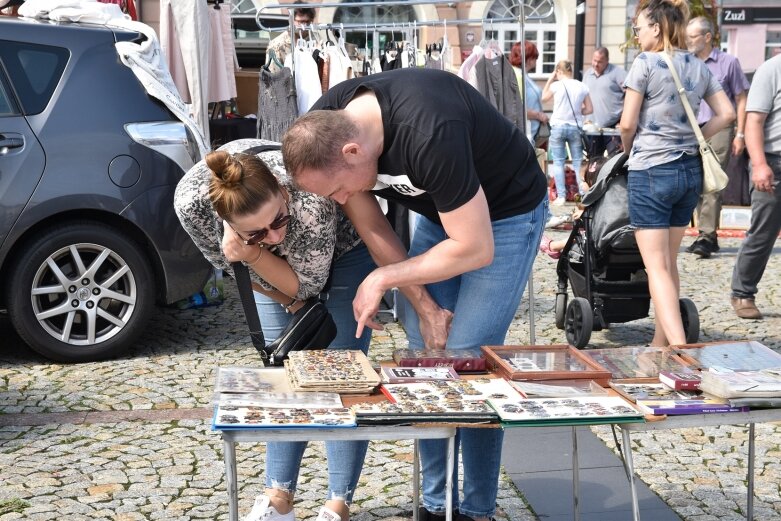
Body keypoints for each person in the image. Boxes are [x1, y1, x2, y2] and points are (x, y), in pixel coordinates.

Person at [281, 67, 548, 521]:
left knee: (471, 364)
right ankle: (435, 504)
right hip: (443, 214)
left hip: (504, 217)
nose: (342, 199)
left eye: (341, 189)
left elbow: (476, 247)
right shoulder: (324, 127)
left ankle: (476, 509)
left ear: (353, 150)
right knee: (428, 361)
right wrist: (423, 305)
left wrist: (383, 280)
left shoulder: (429, 132)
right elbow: (373, 225)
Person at [173, 138, 375, 521]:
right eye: (256, 231)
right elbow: (232, 265)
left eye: (278, 220)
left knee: (344, 374)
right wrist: (257, 264)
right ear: (227, 223)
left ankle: (339, 502)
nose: (275, 236)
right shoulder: (192, 205)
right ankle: (278, 497)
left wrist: (253, 250)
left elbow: (307, 286)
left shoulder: (307, 199)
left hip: (345, 251)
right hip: (263, 269)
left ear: (283, 193)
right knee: (282, 372)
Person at [620, 0, 734, 346]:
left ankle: (681, 348)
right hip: (688, 171)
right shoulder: (696, 64)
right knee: (668, 264)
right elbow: (727, 113)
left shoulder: (645, 63)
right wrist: (695, 135)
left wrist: (629, 150)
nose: (636, 35)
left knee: (655, 267)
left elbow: (627, 122)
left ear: (656, 27)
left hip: (651, 169)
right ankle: (659, 343)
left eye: (638, 28)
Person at [685, 16, 751, 259]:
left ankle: (705, 235)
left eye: (692, 37)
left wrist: (740, 134)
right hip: (693, 128)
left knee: (712, 180)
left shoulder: (728, 63)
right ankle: (708, 234)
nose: (688, 41)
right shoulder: (686, 63)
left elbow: (742, 99)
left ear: (707, 37)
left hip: (721, 128)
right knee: (695, 181)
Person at [730, 54, 781, 320]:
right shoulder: (771, 70)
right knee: (763, 233)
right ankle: (743, 293)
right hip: (773, 161)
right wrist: (760, 165)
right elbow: (754, 122)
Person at [542, 59, 593, 205]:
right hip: (575, 127)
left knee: (558, 162)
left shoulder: (556, 85)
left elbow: (543, 98)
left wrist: (550, 78)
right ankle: (583, 194)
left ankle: (562, 197)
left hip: (558, 126)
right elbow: (589, 109)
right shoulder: (582, 86)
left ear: (559, 71)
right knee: (578, 162)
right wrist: (577, 111)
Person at [583, 47, 626, 158]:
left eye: (600, 61)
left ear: (607, 60)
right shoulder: (588, 74)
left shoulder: (618, 73)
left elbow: (630, 95)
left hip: (613, 126)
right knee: (593, 160)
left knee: (615, 158)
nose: (596, 64)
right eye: (594, 60)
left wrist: (623, 120)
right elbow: (582, 97)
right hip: (593, 127)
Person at [510, 41, 549, 146]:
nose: (536, 60)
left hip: (530, 134)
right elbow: (516, 108)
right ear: (528, 58)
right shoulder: (517, 75)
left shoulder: (523, 75)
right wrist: (539, 115)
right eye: (534, 57)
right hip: (524, 135)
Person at [266, 4, 315, 73]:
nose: (304, 26)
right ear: (291, 21)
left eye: (307, 22)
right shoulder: (277, 45)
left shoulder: (316, 40)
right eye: (300, 22)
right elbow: (273, 77)